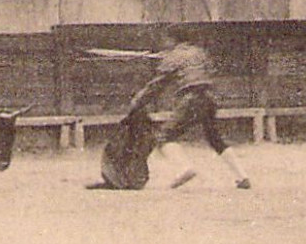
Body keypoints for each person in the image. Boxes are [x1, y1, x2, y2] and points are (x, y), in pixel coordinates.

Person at [95, 28, 251, 190]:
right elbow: (208, 72)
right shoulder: (199, 53)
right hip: (210, 98)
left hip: (191, 99)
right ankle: (242, 176)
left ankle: (184, 168)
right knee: (214, 138)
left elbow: (157, 85)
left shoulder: (173, 57)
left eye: (165, 39)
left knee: (164, 136)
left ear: (172, 39)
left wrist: (138, 101)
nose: (164, 43)